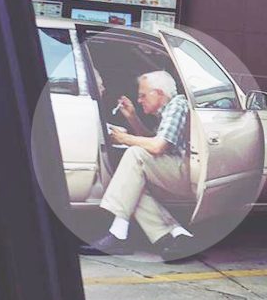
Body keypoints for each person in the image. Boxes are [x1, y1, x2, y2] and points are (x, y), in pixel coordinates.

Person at [82, 70, 195, 261]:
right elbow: (153, 139)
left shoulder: (177, 105)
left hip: (185, 172)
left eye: (143, 95)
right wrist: (132, 117)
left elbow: (157, 147)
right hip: (171, 169)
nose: (140, 100)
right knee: (132, 188)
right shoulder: (166, 110)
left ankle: (119, 233)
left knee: (134, 153)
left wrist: (125, 138)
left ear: (158, 93)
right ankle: (177, 233)